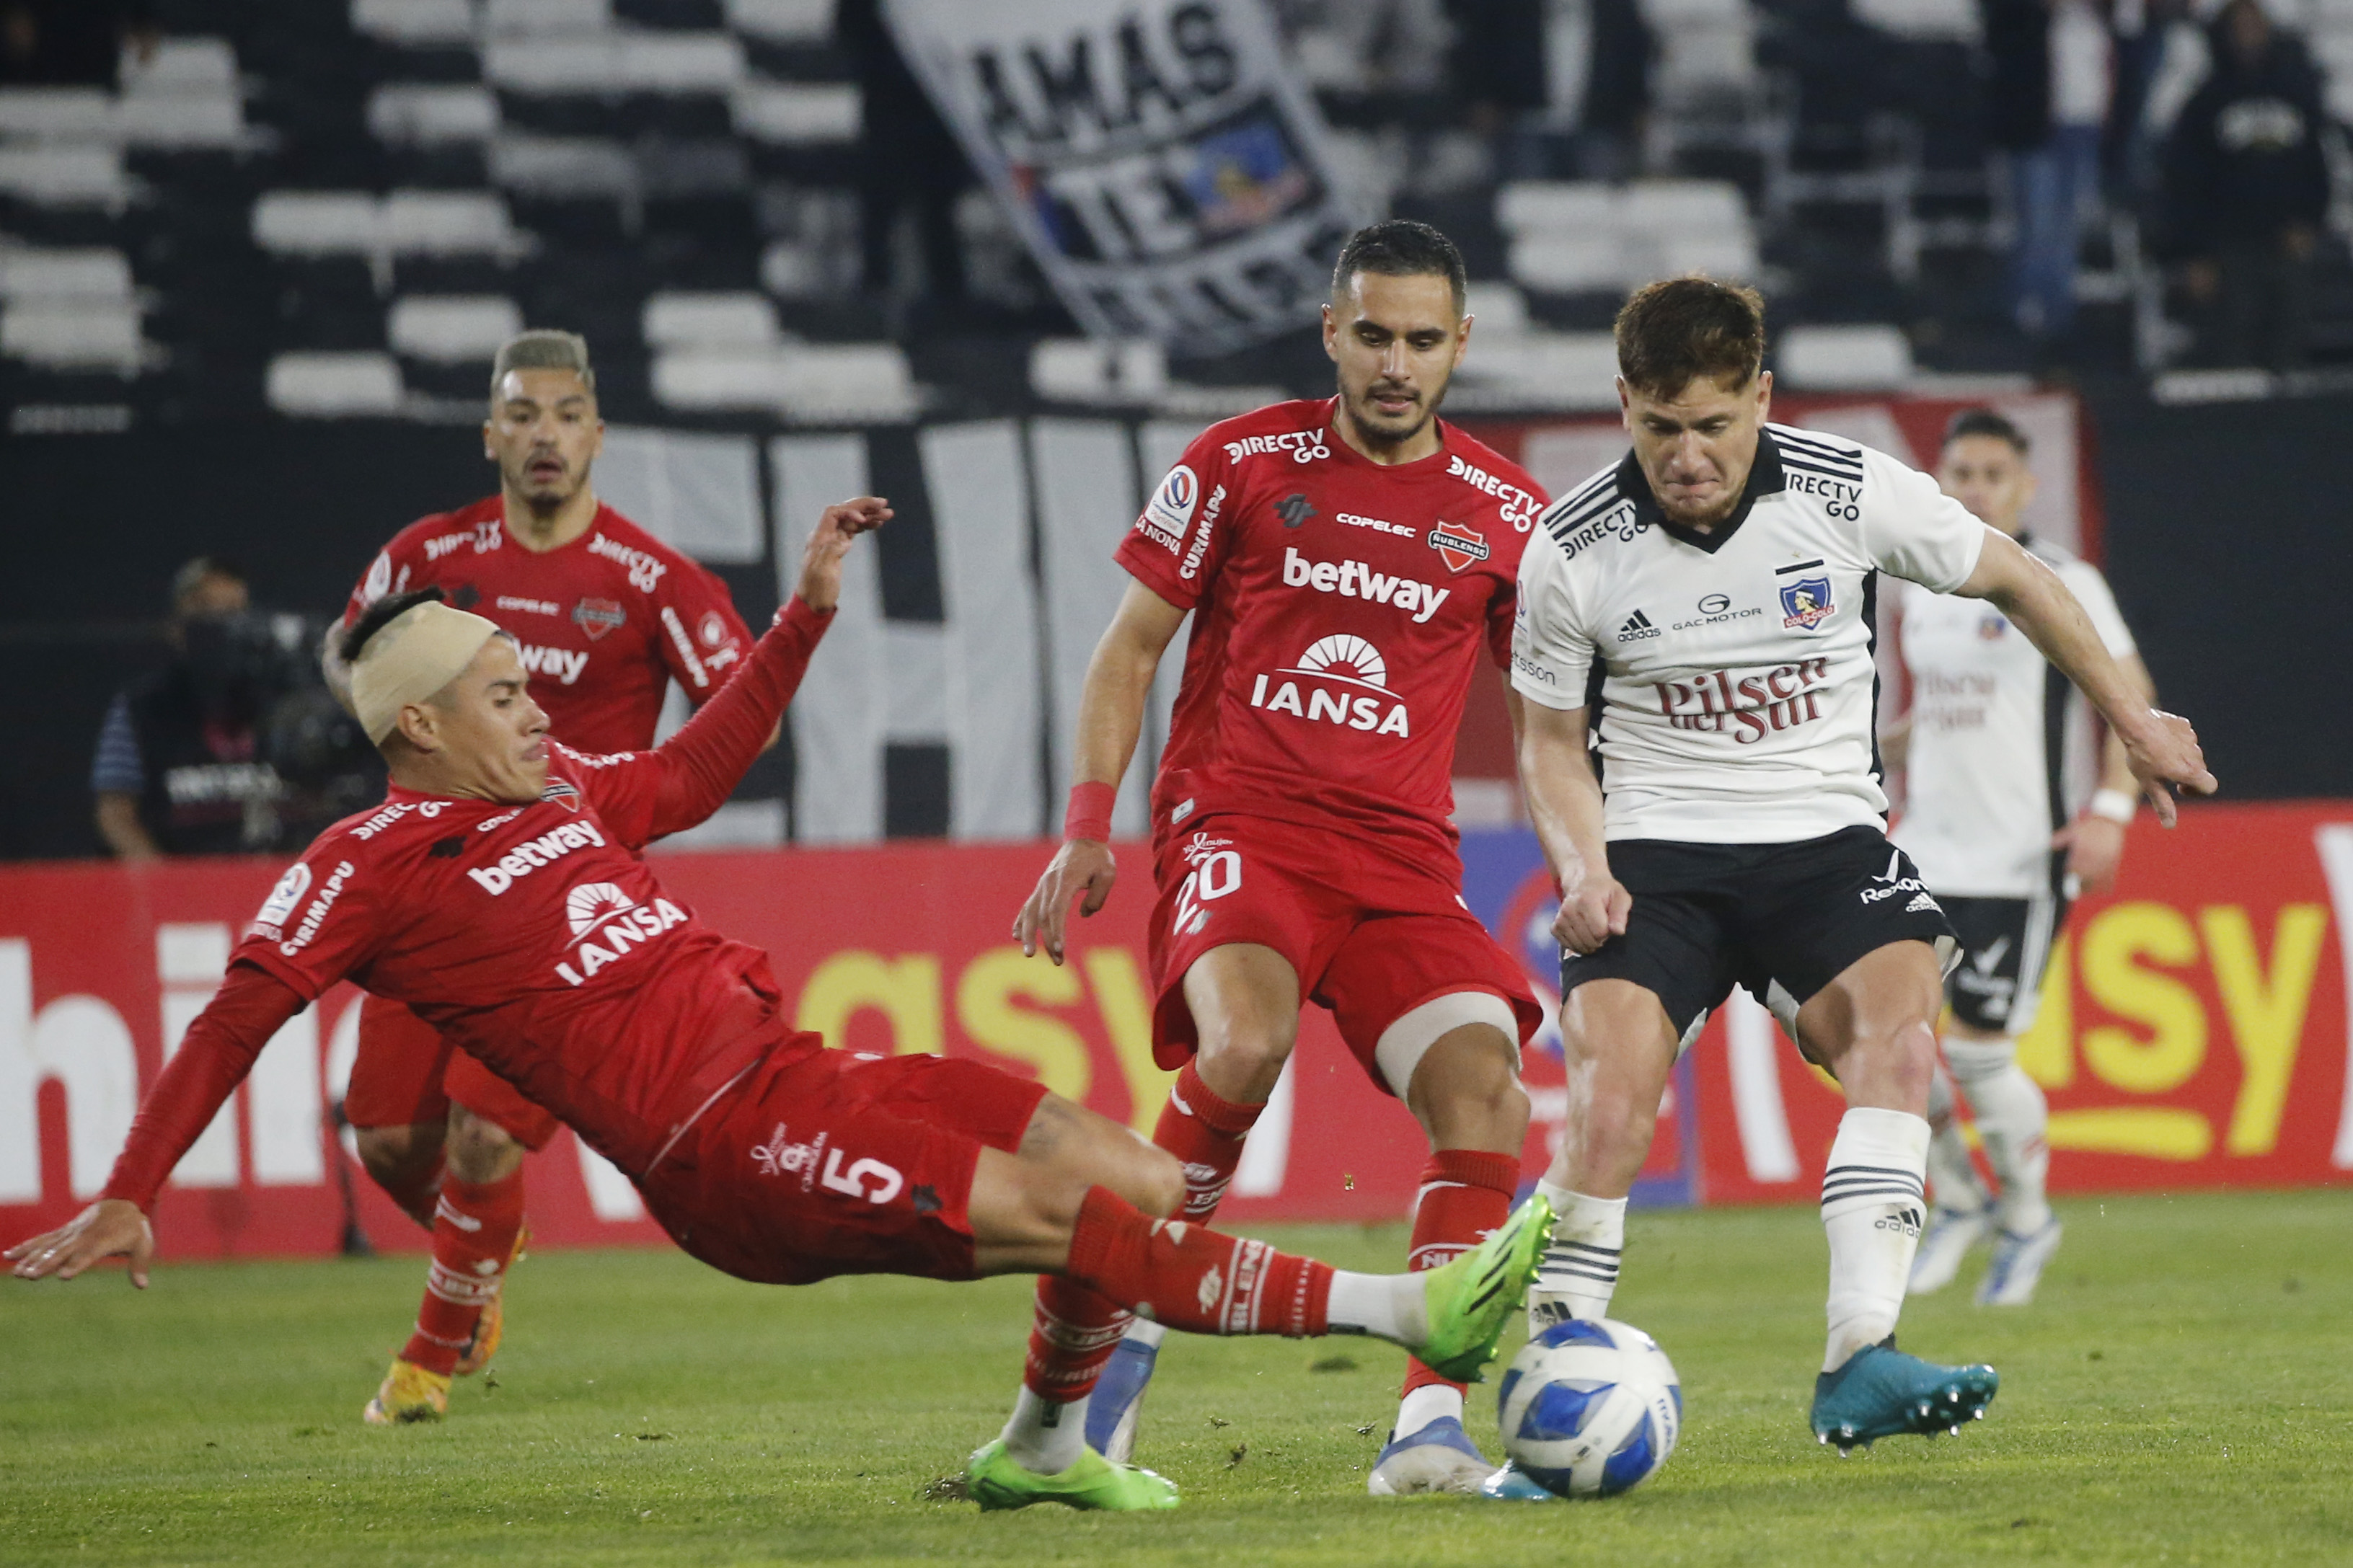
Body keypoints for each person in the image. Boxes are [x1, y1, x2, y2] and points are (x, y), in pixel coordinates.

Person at [6, 505, 1555, 1520]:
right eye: (502, 690)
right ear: (418, 724)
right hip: (719, 1153)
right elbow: (233, 1018)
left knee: (1137, 1176)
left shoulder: (571, 792)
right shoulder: (367, 863)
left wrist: (803, 614)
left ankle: (1041, 1442)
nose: (540, 702)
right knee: (1053, 1206)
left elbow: (697, 768)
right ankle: (1405, 1312)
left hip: (806, 1073)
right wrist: (131, 1194)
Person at [1498, 277, 2212, 1487]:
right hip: (1655, 860)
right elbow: (1549, 743)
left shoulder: (1842, 487)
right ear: (1622, 405)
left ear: (1758, 400)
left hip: (1822, 846)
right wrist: (1583, 866)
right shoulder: (1569, 549)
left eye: (1713, 425)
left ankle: (1858, 1359)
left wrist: (2126, 720)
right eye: (1659, 426)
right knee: (1612, 1109)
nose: (1686, 456)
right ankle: (1548, 1397)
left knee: (1901, 1044)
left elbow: (2018, 579)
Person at [1010, 219, 1550, 1497]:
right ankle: (1127, 1332)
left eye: (1423, 340)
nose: (1396, 364)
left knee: (1487, 1091)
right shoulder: (1241, 460)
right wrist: (1089, 824)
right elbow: (1129, 648)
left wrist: (1587, 859)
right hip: (1240, 826)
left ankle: (1428, 1431)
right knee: (1242, 1042)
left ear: (1459, 345)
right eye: (1372, 334)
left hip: (1401, 866)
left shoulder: (1507, 515)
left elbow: (1544, 717)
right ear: (1331, 331)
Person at [329, 329, 758, 1424]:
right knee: (388, 1140)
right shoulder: (427, 555)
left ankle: (428, 1359)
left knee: (482, 1133)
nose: (545, 436)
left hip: (562, 899)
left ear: (598, 434)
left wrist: (629, 787)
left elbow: (741, 699)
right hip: (428, 882)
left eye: (566, 415)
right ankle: (482, 1239)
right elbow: (348, 655)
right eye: (522, 415)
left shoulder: (654, 578)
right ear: (491, 434)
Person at [1886, 408, 2154, 1306]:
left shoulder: (2059, 578)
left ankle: (2029, 1220)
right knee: (1881, 1040)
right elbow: (1941, 711)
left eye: (1991, 473)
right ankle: (1957, 1198)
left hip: (2014, 856)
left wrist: (2110, 808)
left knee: (1976, 1060)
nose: (1973, 489)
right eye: (1959, 472)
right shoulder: (1919, 579)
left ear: (2024, 486)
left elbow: (2130, 696)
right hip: (1922, 851)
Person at [2163, 0, 2330, 370]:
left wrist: (2310, 222)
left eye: (2255, 28)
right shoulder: (2205, 103)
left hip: (2287, 241)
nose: (2248, 38)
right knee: (2233, 346)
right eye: (2240, 29)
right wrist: (2192, 254)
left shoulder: (2295, 93)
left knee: (2289, 343)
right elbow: (2185, 182)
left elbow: (2315, 166)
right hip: (2229, 244)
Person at [92, 557, 285, 861]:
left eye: (233, 614)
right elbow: (116, 815)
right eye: (206, 613)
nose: (219, 628)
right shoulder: (141, 707)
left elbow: (321, 804)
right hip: (179, 889)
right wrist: (166, 887)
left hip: (276, 887)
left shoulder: (281, 700)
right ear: (176, 627)